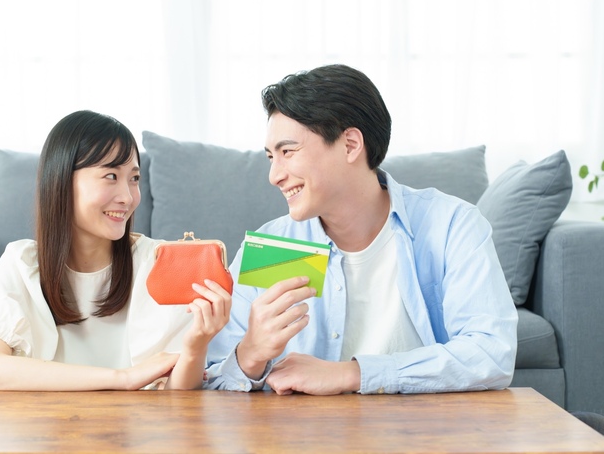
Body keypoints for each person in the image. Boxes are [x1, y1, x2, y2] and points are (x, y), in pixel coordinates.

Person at [205, 64, 518, 395]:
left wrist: (352, 374)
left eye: (288, 152)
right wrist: (250, 355)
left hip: (426, 424)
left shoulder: (450, 226)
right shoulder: (275, 247)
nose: (275, 176)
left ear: (351, 145)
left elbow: (491, 354)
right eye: (271, 157)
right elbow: (213, 380)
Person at [0, 110, 231, 391]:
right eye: (111, 176)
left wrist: (196, 346)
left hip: (135, 420)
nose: (127, 197)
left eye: (134, 178)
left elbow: (177, 395)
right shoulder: (21, 263)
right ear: (62, 181)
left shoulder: (157, 263)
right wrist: (123, 378)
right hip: (48, 419)